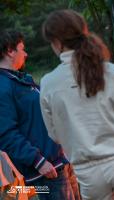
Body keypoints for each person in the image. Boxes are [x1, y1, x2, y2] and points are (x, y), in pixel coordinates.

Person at [41, 9, 114, 200]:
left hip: (89, 171)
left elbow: (55, 135)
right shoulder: (109, 71)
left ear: (56, 42)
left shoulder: (48, 83)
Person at [0, 30, 81, 200]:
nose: (26, 54)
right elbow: (7, 134)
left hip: (61, 160)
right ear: (9, 50)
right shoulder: (3, 86)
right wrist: (38, 161)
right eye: (22, 49)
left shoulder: (22, 79)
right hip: (46, 171)